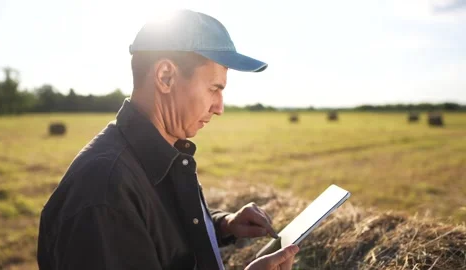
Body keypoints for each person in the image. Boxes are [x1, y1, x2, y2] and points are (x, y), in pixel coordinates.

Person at [37, 9, 299, 270]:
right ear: (165, 76)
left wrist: (222, 225)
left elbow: (162, 239)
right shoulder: (105, 191)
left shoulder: (161, 154)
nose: (219, 107)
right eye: (214, 89)